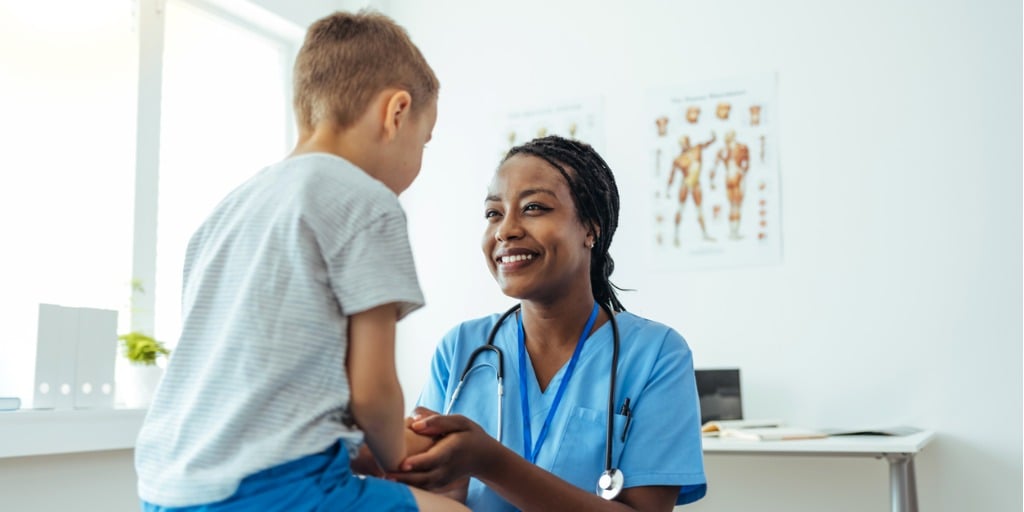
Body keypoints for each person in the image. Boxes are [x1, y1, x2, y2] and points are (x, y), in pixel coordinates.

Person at [133, 10, 467, 512]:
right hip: (270, 487)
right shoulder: (367, 202)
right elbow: (372, 391)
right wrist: (396, 454)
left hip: (166, 487)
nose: (419, 158)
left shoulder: (230, 209)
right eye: (424, 141)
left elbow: (263, 380)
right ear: (396, 112)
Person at [392, 135, 707, 511]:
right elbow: (431, 494)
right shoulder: (461, 346)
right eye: (494, 213)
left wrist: (490, 462)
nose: (505, 230)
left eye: (534, 207)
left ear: (591, 229)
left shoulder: (657, 354)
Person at [667, 132, 718, 244]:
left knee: (699, 209)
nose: (684, 145)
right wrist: (668, 189)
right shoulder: (679, 159)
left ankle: (705, 234)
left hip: (695, 184)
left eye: (685, 142)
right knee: (680, 208)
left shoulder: (697, 149)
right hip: (685, 184)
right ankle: (675, 235)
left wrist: (713, 138)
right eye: (682, 143)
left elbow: (706, 144)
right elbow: (672, 174)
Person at [711, 129, 751, 239]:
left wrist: (712, 179)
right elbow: (746, 164)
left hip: (731, 176)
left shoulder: (735, 148)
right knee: (736, 205)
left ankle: (733, 231)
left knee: (734, 205)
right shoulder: (737, 148)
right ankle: (734, 232)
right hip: (735, 177)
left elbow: (746, 163)